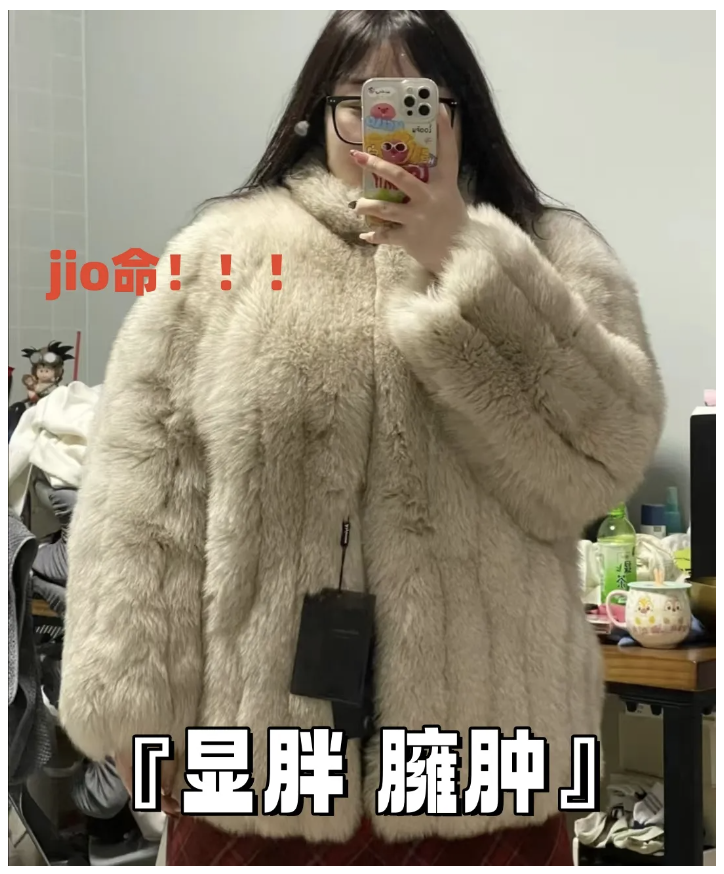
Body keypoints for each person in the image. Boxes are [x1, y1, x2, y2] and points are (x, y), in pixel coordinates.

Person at [59, 9, 665, 867]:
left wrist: (466, 258)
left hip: (483, 775)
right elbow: (147, 495)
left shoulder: (550, 254)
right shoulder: (222, 255)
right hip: (260, 778)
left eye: (421, 100)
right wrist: (129, 714)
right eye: (360, 101)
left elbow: (602, 459)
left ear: (461, 114)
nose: (387, 126)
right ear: (319, 115)